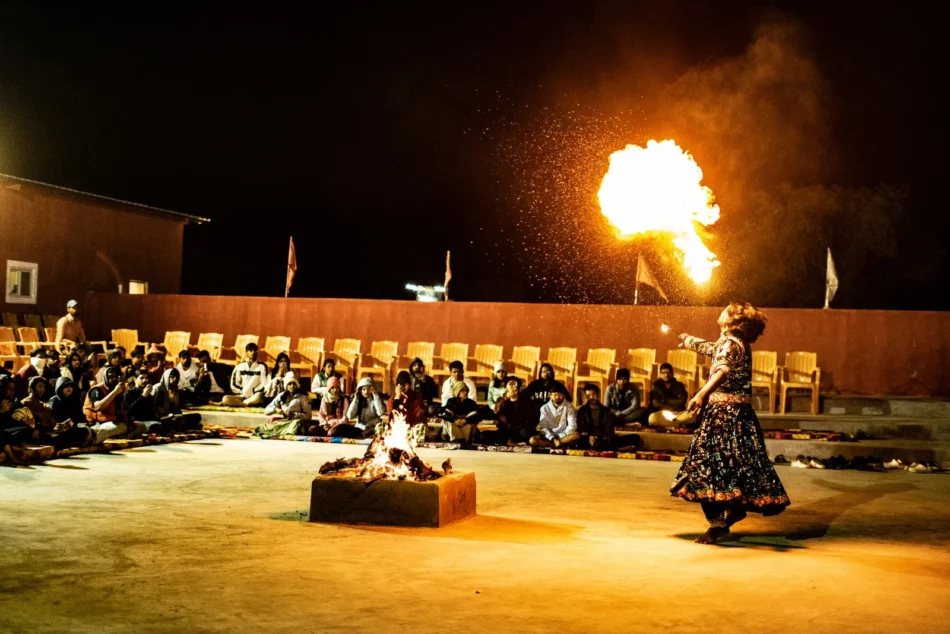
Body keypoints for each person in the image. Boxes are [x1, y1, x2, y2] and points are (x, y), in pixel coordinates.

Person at [671, 302, 790, 545]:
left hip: (722, 416)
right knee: (738, 466)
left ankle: (717, 523)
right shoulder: (737, 343)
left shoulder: (729, 344)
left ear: (734, 320)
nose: (722, 311)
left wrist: (701, 394)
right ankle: (734, 510)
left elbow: (722, 369)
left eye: (727, 310)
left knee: (704, 466)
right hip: (741, 416)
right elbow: (712, 349)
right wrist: (687, 340)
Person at [22, 377, 89, 450]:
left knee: (83, 431)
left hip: (51, 433)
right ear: (32, 388)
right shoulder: (25, 403)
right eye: (40, 386)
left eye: (44, 387)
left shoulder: (44, 405)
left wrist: (59, 426)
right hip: (36, 434)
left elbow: (52, 424)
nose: (42, 390)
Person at [82, 366, 144, 442]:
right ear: (105, 377)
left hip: (112, 420)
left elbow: (122, 411)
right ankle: (95, 437)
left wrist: (127, 419)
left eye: (115, 377)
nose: (113, 379)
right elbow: (99, 407)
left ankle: (121, 437)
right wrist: (114, 392)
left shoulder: (119, 390)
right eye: (110, 377)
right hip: (96, 422)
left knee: (140, 426)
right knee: (121, 427)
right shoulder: (97, 389)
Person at [576, 384, 640, 451]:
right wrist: (588, 436)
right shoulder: (582, 411)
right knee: (596, 444)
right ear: (585, 397)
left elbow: (614, 422)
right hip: (591, 440)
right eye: (588, 396)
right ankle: (618, 450)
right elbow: (581, 428)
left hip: (605, 439)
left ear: (598, 395)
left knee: (635, 438)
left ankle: (614, 448)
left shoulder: (605, 410)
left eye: (594, 395)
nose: (592, 397)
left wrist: (629, 424)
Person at [256, 374, 312, 439]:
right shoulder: (281, 396)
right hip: (286, 421)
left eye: (294, 384)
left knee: (295, 424)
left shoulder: (303, 397)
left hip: (298, 422)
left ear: (297, 385)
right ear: (286, 386)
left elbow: (308, 416)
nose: (292, 386)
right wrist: (275, 409)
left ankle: (284, 433)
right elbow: (266, 411)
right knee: (262, 429)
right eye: (290, 384)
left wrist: (293, 414)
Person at [152, 368, 203, 433]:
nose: (175, 379)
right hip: (160, 418)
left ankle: (179, 426)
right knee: (173, 421)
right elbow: (151, 405)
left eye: (177, 377)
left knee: (196, 416)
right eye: (173, 376)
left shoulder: (175, 390)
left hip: (172, 417)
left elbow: (176, 409)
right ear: (167, 376)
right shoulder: (157, 388)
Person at [1, 376, 36, 464]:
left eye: (13, 389)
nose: (12, 391)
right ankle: (13, 457)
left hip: (7, 432)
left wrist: (23, 420)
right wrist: (0, 411)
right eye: (9, 389)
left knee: (27, 430)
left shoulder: (13, 402)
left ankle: (9, 446)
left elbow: (12, 422)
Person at [493, 376, 536, 445]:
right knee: (485, 436)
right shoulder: (500, 399)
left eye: (515, 384)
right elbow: (497, 411)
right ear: (506, 387)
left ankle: (512, 441)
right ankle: (512, 441)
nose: (513, 386)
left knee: (527, 432)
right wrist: (507, 398)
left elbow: (530, 417)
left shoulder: (526, 400)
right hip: (505, 429)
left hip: (520, 429)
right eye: (510, 384)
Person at [386, 370, 426, 438]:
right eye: (400, 384)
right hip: (396, 429)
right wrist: (397, 397)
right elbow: (392, 415)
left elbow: (419, 416)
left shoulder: (415, 398)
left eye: (405, 384)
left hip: (412, 430)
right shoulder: (393, 399)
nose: (403, 387)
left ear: (409, 384)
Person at [123, 370, 161, 435]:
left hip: (149, 421)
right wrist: (143, 396)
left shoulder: (148, 394)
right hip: (136, 422)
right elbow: (129, 411)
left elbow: (151, 412)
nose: (144, 380)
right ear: (135, 379)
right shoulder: (128, 393)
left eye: (146, 378)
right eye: (142, 378)